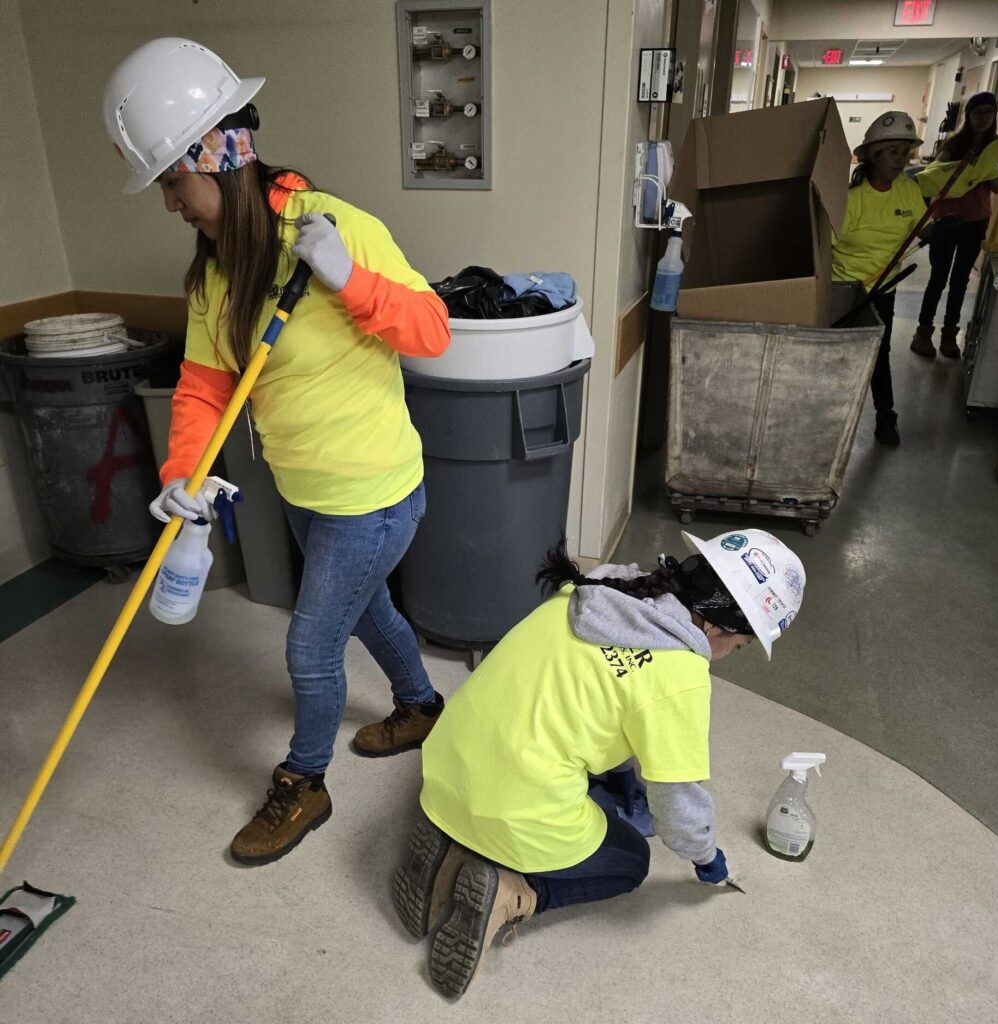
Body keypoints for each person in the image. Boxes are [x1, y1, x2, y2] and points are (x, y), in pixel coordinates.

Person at [103, 38, 451, 865]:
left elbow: (433, 331)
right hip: (305, 490)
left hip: (373, 497)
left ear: (214, 156)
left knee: (309, 643)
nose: (169, 204)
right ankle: (422, 705)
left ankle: (304, 782)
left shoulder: (338, 230)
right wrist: (183, 472)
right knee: (369, 612)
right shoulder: (218, 275)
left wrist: (350, 281)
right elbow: (200, 388)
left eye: (172, 183)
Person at [392, 529, 806, 999]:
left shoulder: (601, 586)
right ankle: (513, 893)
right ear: (717, 627)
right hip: (512, 806)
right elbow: (677, 808)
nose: (728, 657)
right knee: (630, 861)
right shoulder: (680, 675)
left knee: (563, 768)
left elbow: (595, 692)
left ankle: (453, 843)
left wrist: (623, 772)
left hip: (446, 763)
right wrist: (706, 857)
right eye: (739, 647)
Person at [832, 111, 927, 447]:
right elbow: (824, 245)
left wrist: (940, 231)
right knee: (838, 355)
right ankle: (830, 414)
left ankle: (886, 415)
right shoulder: (851, 198)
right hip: (842, 288)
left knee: (879, 353)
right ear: (873, 155)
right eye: (892, 151)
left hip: (884, 288)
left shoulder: (908, 192)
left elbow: (921, 228)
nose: (900, 159)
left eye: (905, 151)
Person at [911, 92, 998, 359]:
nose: (983, 118)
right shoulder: (953, 145)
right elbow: (934, 180)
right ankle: (923, 332)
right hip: (947, 219)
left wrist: (990, 168)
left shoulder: (996, 148)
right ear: (969, 116)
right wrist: (963, 169)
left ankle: (949, 335)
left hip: (976, 220)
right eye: (978, 113)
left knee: (960, 280)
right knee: (938, 277)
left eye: (988, 112)